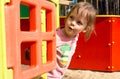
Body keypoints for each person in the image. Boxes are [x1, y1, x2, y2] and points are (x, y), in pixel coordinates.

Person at [47, 2, 97, 79]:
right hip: (47, 76)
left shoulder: (75, 35)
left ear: (85, 29)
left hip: (59, 75)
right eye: (71, 17)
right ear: (67, 17)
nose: (72, 23)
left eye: (79, 22)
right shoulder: (56, 35)